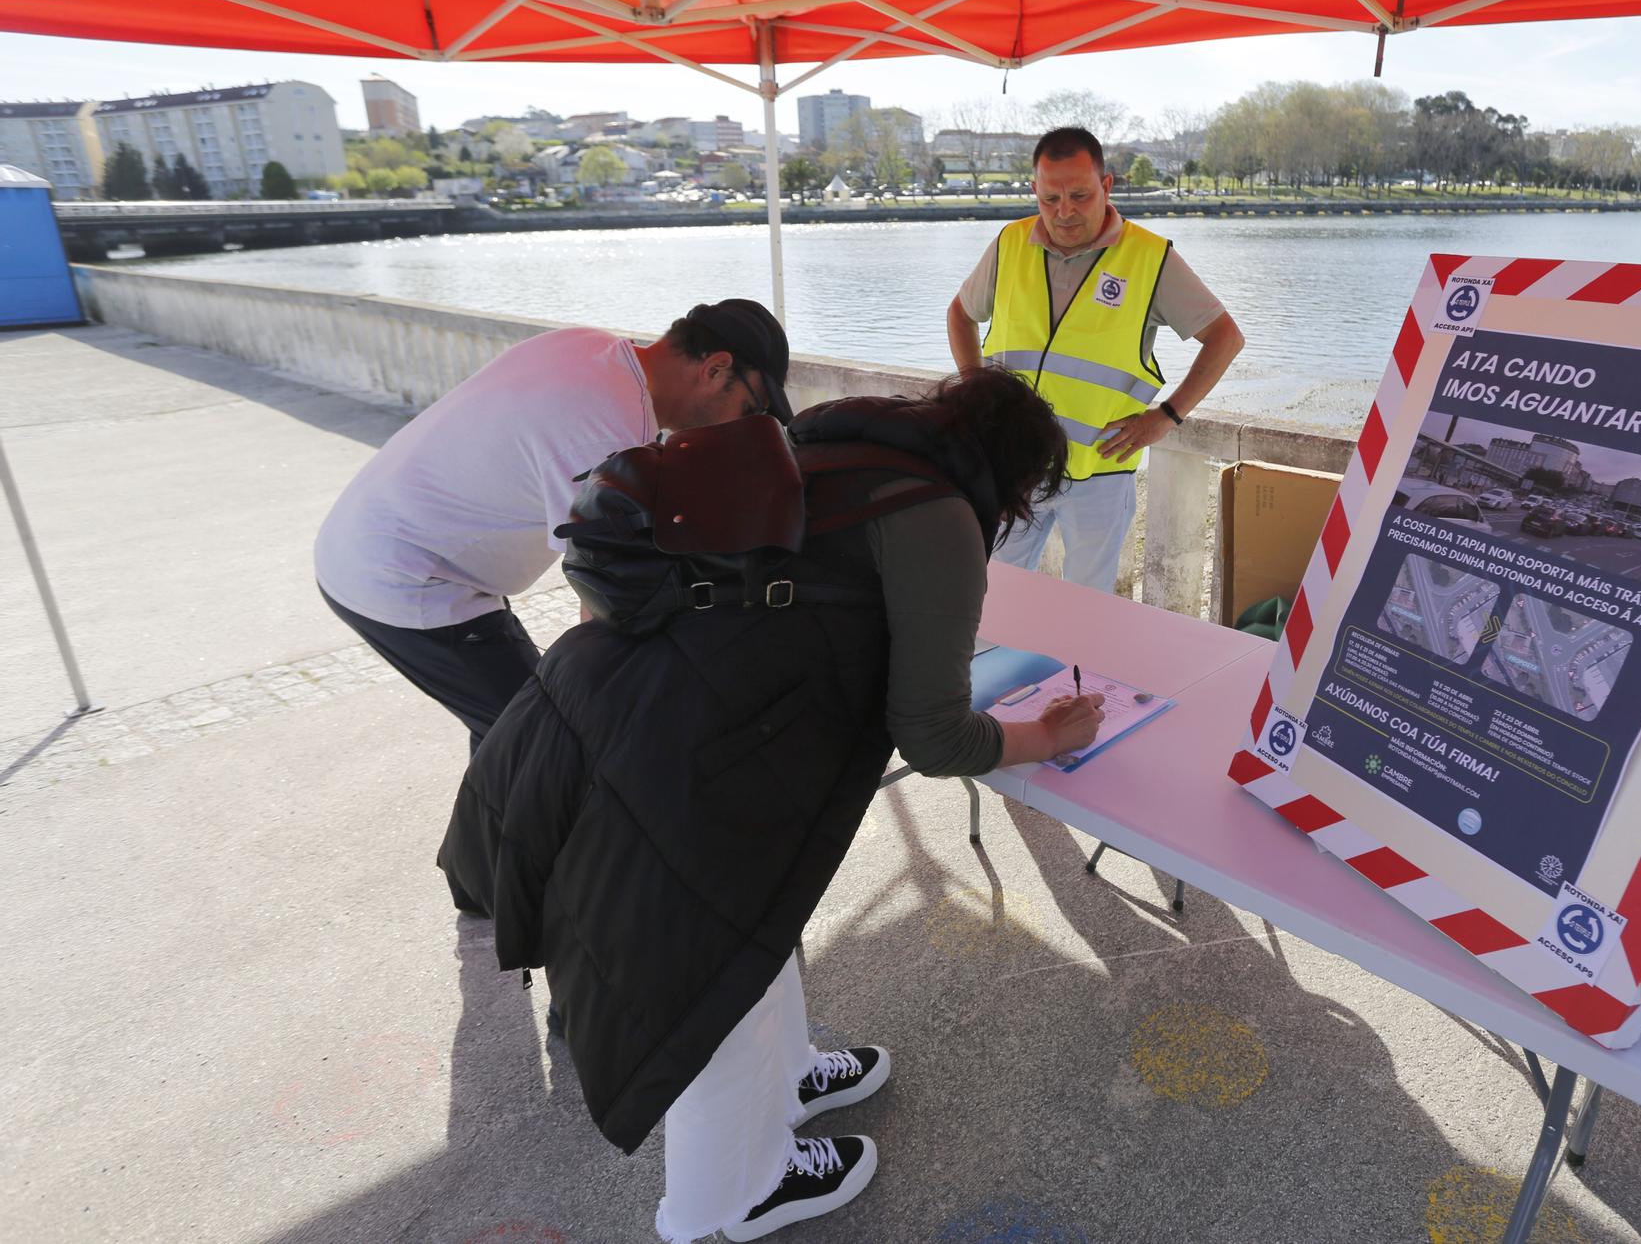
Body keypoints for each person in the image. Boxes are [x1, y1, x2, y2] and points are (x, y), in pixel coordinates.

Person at [437, 367, 1105, 1242]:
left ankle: (790, 1075)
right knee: (712, 975)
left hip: (611, 690)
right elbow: (934, 735)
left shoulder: (826, 437)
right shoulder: (938, 515)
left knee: (757, 929)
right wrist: (1045, 738)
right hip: (692, 755)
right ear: (1011, 479)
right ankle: (728, 1197)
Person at [315, 300, 791, 755]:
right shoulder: (611, 433)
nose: (742, 426)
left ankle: (500, 826)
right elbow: (606, 599)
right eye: (751, 408)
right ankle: (502, 836)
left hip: (373, 534)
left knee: (514, 730)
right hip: (404, 577)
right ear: (715, 369)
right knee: (544, 738)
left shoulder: (587, 345)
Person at [946, 126, 1245, 593]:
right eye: (1050, 198)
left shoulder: (1149, 258)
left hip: (1099, 473)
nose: (1064, 211)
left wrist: (1166, 416)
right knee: (992, 598)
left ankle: (1075, 672)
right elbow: (961, 314)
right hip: (1013, 463)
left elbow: (1225, 337)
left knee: (1087, 612)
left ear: (1106, 186)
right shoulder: (1009, 244)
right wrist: (973, 393)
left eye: (1080, 195)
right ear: (1034, 191)